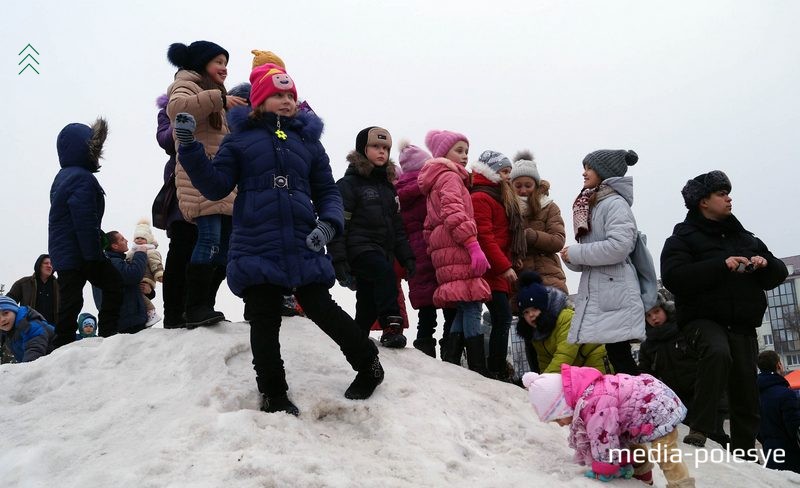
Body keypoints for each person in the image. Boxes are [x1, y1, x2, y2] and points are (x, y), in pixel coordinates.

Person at [173, 62, 384, 416]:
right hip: (257, 241)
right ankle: (273, 392)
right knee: (263, 317)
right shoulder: (238, 140)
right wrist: (189, 147)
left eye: (290, 95)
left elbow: (327, 191)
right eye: (277, 95)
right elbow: (214, 185)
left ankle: (368, 364)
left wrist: (329, 224)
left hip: (304, 240)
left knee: (322, 308)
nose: (286, 101)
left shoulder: (309, 144)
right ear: (258, 102)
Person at [661, 170, 788, 455]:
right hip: (702, 320)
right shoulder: (682, 238)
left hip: (742, 324)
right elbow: (674, 277)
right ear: (703, 201)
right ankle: (700, 426)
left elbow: (777, 274)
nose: (729, 198)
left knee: (746, 395)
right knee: (717, 352)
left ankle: (745, 454)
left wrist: (765, 263)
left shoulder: (746, 238)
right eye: (721, 193)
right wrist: (721, 264)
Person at [166, 40, 247, 328]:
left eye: (226, 63)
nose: (224, 69)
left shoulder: (217, 95)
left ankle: (204, 305)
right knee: (209, 240)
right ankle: (195, 306)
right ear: (202, 63)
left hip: (222, 179)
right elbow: (177, 110)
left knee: (225, 247)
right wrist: (218, 100)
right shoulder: (186, 84)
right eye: (218, 62)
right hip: (198, 176)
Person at [523, 365, 695, 487]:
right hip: (644, 406)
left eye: (557, 419)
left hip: (658, 408)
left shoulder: (594, 404)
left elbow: (605, 441)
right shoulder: (587, 400)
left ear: (563, 406)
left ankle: (682, 485)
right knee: (630, 445)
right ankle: (643, 478)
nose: (560, 425)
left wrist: (603, 468)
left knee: (665, 454)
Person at [328, 126, 415, 348]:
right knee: (385, 275)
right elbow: (339, 224)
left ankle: (357, 337)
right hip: (359, 249)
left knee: (367, 301)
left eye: (385, 148)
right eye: (375, 146)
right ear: (362, 149)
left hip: (382, 250)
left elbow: (397, 228)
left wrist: (407, 258)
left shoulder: (388, 189)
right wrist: (338, 259)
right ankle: (392, 324)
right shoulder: (349, 185)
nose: (381, 152)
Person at [560, 149, 644, 376]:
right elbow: (593, 255)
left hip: (614, 292)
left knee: (621, 357)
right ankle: (635, 401)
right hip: (605, 291)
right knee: (618, 355)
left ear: (604, 172)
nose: (584, 173)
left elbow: (618, 247)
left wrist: (577, 253)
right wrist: (571, 258)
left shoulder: (615, 204)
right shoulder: (593, 204)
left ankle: (642, 402)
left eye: (589, 168)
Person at [418, 129, 491, 374]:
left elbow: (428, 225)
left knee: (463, 306)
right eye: (458, 150)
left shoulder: (434, 180)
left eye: (466, 151)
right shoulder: (449, 177)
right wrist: (472, 245)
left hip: (445, 250)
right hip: (458, 246)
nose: (464, 156)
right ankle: (478, 368)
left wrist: (436, 249)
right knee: (472, 305)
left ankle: (452, 363)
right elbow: (454, 213)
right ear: (443, 153)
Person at [48, 117, 123, 347]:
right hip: (80, 251)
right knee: (113, 283)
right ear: (85, 149)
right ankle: (108, 336)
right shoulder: (82, 178)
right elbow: (84, 220)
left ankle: (63, 344)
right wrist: (93, 254)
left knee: (70, 301)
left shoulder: (63, 177)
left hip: (65, 251)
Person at [638, 291, 728, 447]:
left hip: (704, 395)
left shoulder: (684, 330)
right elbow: (646, 376)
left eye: (657, 311)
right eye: (648, 316)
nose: (654, 318)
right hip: (678, 402)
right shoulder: (648, 345)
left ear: (666, 310)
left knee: (715, 438)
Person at [395, 140, 455, 358]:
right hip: (437, 251)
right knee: (450, 305)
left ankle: (425, 354)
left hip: (415, 256)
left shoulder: (398, 194)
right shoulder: (428, 187)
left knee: (426, 313)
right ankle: (451, 353)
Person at [469, 150, 524, 380]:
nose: (508, 177)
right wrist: (504, 266)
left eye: (509, 172)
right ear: (490, 172)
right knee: (500, 318)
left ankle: (494, 365)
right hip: (490, 270)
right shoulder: (482, 197)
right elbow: (485, 237)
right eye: (503, 172)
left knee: (500, 318)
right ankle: (496, 367)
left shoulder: (497, 196)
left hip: (498, 268)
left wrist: (513, 258)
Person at [155, 93, 198, 328]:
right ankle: (173, 314)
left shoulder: (217, 99)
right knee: (181, 248)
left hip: (210, 183)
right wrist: (184, 119)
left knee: (206, 250)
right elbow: (165, 140)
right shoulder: (168, 110)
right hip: (181, 182)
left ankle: (195, 307)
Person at [516, 272, 609, 374]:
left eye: (535, 309)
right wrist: (542, 380)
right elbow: (544, 360)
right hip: (575, 369)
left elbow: (565, 354)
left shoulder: (566, 318)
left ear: (545, 307)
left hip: (594, 361)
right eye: (526, 312)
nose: (531, 315)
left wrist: (545, 379)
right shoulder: (536, 331)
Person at [510, 152, 567, 293]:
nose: (523, 190)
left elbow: (558, 241)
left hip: (549, 278)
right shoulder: (507, 209)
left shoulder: (549, 207)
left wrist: (531, 236)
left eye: (528, 185)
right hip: (518, 280)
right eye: (518, 186)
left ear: (536, 185)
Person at [756, 350, 800, 473]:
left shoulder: (754, 395)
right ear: (778, 365)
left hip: (769, 452)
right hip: (790, 455)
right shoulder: (786, 394)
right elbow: (794, 426)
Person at [103, 231, 152, 334]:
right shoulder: (113, 262)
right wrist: (140, 253)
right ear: (114, 246)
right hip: (129, 321)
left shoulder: (115, 262)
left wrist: (149, 291)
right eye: (122, 239)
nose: (126, 240)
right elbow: (133, 275)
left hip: (129, 319)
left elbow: (130, 289)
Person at [6, 254, 60, 325]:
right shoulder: (23, 283)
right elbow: (8, 302)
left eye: (51, 264)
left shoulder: (59, 285)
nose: (49, 266)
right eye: (46, 263)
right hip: (30, 328)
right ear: (39, 265)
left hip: (53, 328)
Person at [0, 295, 55, 363]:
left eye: (5, 313)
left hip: (61, 357)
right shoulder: (8, 333)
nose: (2, 320)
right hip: (46, 363)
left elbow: (34, 350)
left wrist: (26, 370)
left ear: (15, 311)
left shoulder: (29, 325)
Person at [129, 219, 163, 327]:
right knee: (137, 297)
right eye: (137, 238)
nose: (139, 240)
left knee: (139, 295)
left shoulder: (151, 252)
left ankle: (152, 313)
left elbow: (155, 264)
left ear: (148, 240)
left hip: (146, 279)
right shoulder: (131, 252)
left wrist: (159, 274)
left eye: (142, 238)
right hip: (135, 278)